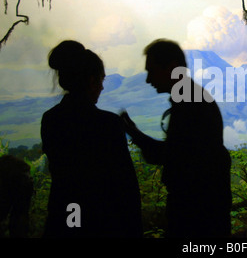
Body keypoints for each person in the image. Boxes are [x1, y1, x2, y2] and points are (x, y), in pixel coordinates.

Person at [120, 39, 232, 238]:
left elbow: (169, 155)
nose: (148, 80)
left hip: (194, 210)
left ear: (171, 68)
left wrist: (134, 133)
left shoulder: (189, 103)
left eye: (151, 71)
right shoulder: (194, 98)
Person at [40, 40, 142, 238]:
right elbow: (125, 186)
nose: (102, 88)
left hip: (64, 215)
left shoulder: (51, 119)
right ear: (92, 81)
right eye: (102, 80)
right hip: (100, 221)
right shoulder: (107, 123)